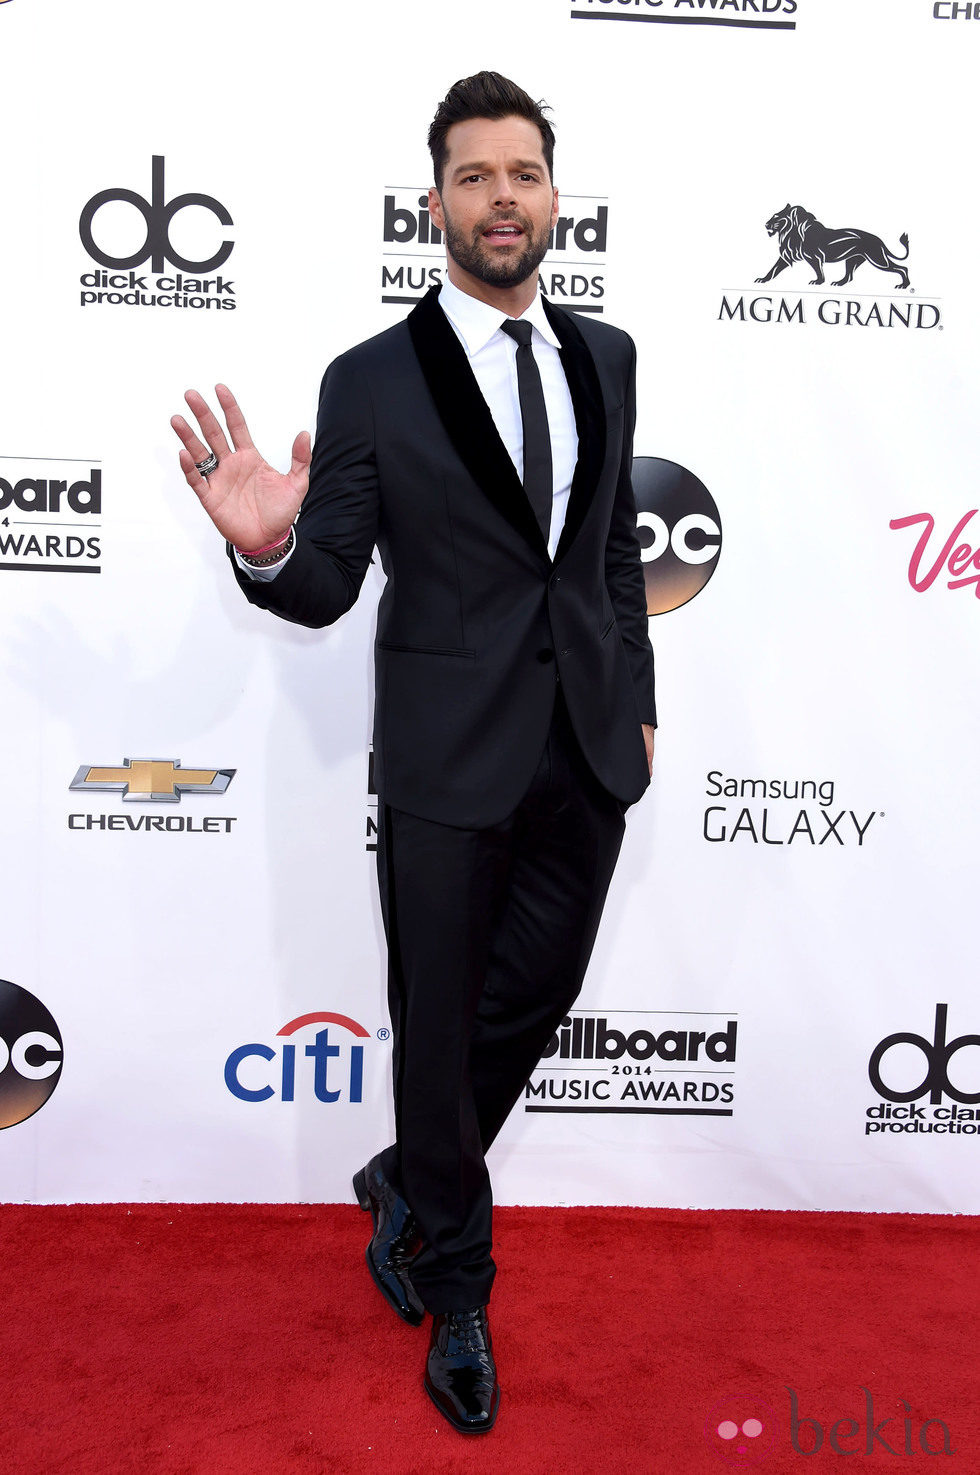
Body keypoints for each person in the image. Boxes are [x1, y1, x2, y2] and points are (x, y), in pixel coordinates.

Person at [170, 71, 656, 1435]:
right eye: (474, 177)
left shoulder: (606, 354)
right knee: (438, 1030)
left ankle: (407, 1178)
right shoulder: (372, 380)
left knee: (524, 1004)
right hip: (446, 763)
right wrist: (264, 543)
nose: (503, 198)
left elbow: (612, 544)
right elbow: (327, 583)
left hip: (588, 755)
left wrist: (640, 692)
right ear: (433, 203)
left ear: (556, 196)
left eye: (525, 173)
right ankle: (457, 1289)